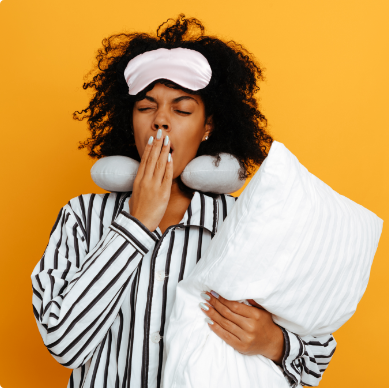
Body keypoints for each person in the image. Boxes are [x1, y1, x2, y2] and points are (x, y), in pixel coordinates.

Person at [31, 15, 336, 388]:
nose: (161, 120)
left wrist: (274, 342)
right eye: (146, 107)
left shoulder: (248, 222)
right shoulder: (81, 216)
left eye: (182, 109)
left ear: (207, 126)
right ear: (130, 122)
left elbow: (316, 360)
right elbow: (63, 342)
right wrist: (136, 223)